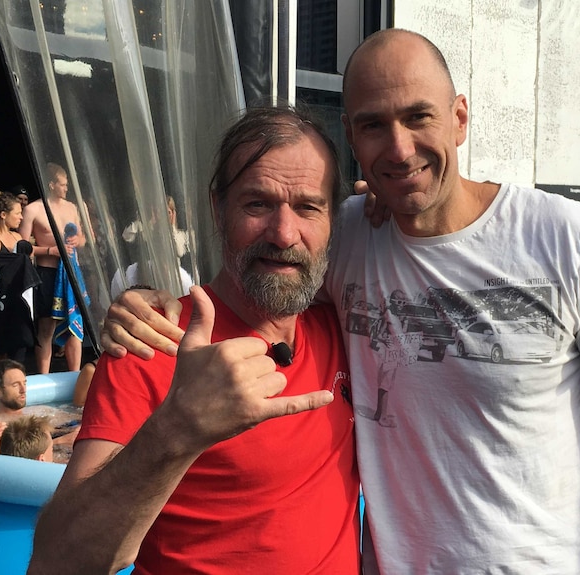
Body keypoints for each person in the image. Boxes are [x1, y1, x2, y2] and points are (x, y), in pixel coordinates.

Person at [102, 30, 580, 574]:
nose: (399, 147)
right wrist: (151, 304)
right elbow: (261, 261)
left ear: (460, 118)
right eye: (373, 125)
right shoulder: (347, 232)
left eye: (419, 117)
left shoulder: (567, 235)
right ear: (353, 140)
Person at [28, 107, 360, 575]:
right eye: (257, 204)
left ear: (333, 223)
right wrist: (178, 428)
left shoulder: (345, 326)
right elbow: (57, 561)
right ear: (217, 208)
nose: (284, 234)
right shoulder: (156, 339)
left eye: (308, 207)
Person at [18, 163, 86, 373]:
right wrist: (49, 250)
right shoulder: (34, 209)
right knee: (46, 327)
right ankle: (43, 375)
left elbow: (84, 238)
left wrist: (78, 240)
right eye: (63, 185)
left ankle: (75, 374)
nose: (66, 189)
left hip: (71, 272)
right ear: (51, 185)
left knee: (75, 325)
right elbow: (21, 246)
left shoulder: (73, 207)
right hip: (47, 272)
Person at [0, 192, 40, 366]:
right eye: (18, 213)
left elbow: (28, 263)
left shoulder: (18, 237)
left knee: (19, 346)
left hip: (18, 302)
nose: (21, 217)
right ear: (3, 215)